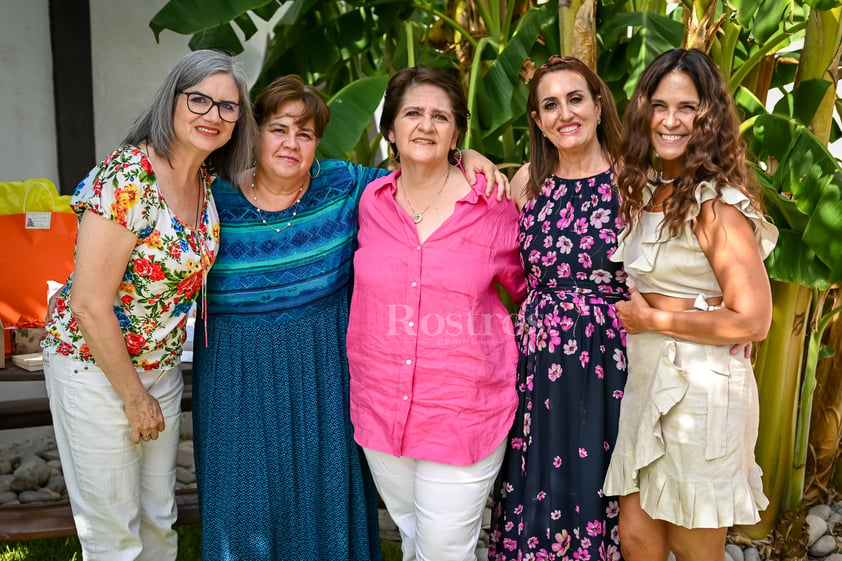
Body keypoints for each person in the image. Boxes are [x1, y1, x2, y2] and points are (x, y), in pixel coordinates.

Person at [191, 73, 508, 561]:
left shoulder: (346, 186)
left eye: (306, 133)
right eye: (279, 129)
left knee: (327, 507)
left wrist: (468, 158)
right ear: (255, 133)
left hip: (322, 375)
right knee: (244, 510)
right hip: (238, 379)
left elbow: (424, 168)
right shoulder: (210, 196)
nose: (291, 143)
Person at [40, 49, 256, 560]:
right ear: (172, 101)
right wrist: (135, 398)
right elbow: (90, 303)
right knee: (115, 536)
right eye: (200, 99)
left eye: (228, 107)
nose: (214, 115)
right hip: (96, 370)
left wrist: (458, 156)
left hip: (159, 369)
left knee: (160, 523)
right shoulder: (127, 177)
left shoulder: (205, 180)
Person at [602, 48, 778, 561]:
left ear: (709, 117)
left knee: (692, 544)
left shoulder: (716, 203)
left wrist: (653, 318)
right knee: (636, 538)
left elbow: (754, 318)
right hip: (650, 380)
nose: (671, 120)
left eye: (687, 108)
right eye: (660, 106)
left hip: (702, 391)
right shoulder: (649, 188)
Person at [346, 65, 526, 561]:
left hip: (465, 408)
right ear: (390, 128)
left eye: (440, 117)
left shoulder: (492, 204)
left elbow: (529, 290)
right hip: (383, 407)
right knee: (412, 535)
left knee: (445, 549)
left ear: (456, 134)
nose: (425, 126)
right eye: (413, 114)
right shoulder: (367, 200)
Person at [486, 55, 628, 561]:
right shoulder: (528, 182)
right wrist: (472, 159)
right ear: (537, 121)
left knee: (602, 478)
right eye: (550, 104)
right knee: (540, 477)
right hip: (539, 360)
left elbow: (677, 256)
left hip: (610, 356)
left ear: (596, 105)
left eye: (575, 98)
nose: (564, 113)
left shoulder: (633, 179)